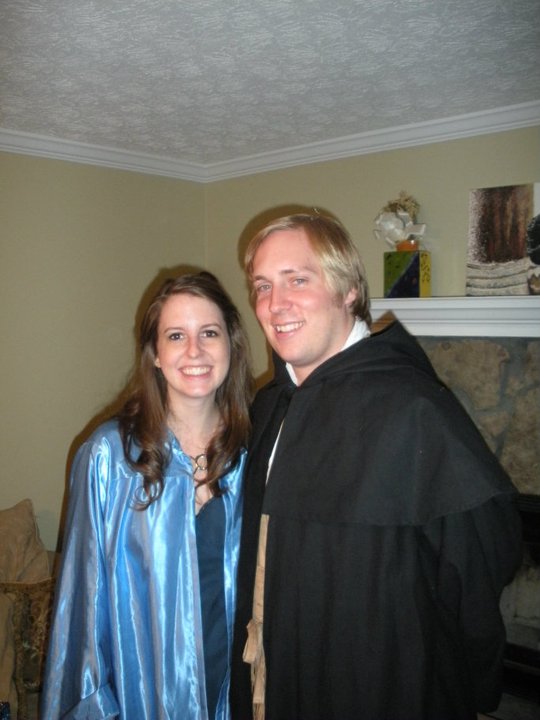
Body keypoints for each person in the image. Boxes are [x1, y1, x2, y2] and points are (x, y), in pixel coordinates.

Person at [229, 214, 523, 720]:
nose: (275, 304)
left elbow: (479, 563)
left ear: (348, 290)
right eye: (263, 286)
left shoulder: (414, 410)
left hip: (384, 685)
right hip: (280, 671)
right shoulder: (270, 405)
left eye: (298, 280)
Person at [42, 271, 253, 720]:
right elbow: (83, 607)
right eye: (176, 336)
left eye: (209, 333)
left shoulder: (255, 451)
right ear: (155, 354)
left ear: (231, 344)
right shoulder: (109, 457)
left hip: (239, 693)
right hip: (143, 700)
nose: (194, 351)